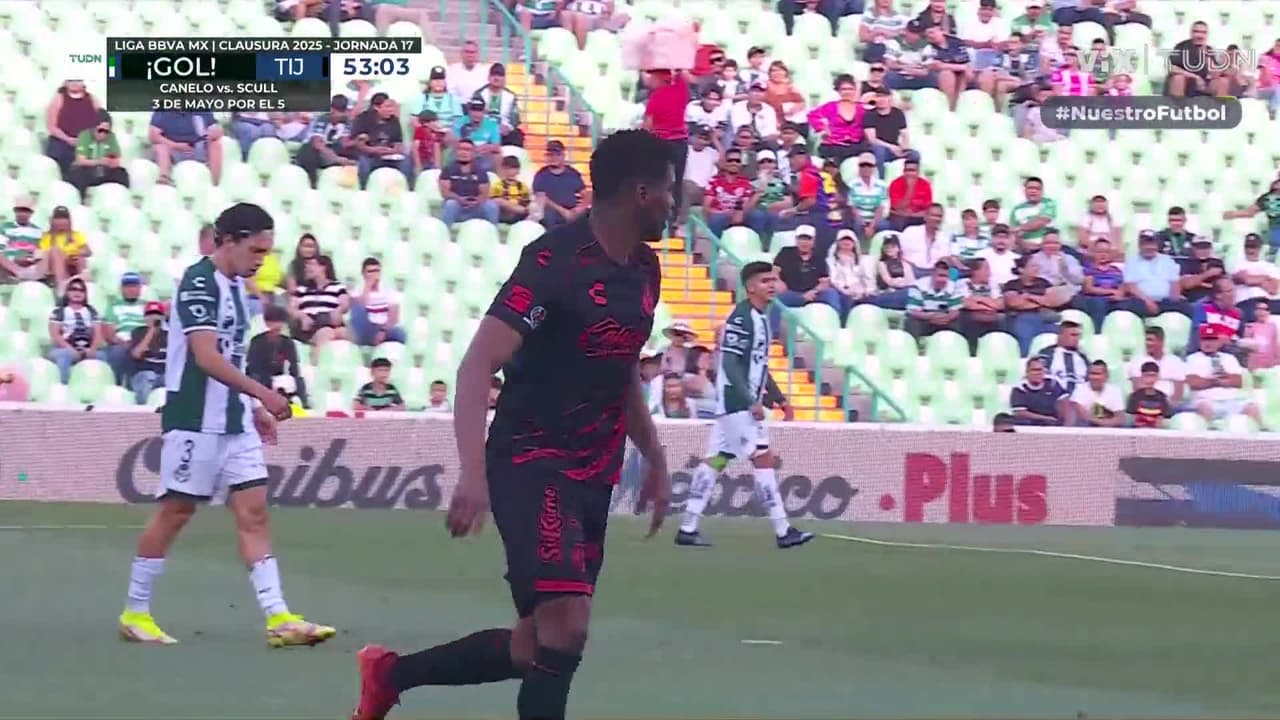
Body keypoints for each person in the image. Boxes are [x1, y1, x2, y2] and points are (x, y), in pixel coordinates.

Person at [350, 130, 674, 720]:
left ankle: (389, 675)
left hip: (594, 471)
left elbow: (622, 366)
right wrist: (472, 473)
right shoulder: (554, 262)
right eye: (669, 191)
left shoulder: (646, 270)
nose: (674, 204)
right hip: (532, 459)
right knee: (568, 626)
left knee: (537, 644)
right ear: (642, 192)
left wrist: (653, 455)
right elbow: (478, 365)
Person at [117, 203, 334, 647]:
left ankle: (279, 617)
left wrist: (250, 408)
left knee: (253, 512)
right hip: (194, 420)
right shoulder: (199, 282)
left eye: (267, 253)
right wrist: (264, 394)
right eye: (255, 250)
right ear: (229, 241)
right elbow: (206, 356)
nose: (261, 261)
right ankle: (135, 612)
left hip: (233, 420)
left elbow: (232, 356)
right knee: (176, 512)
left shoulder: (237, 287)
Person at [676, 261, 807, 548]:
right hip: (737, 404)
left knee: (716, 459)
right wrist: (750, 401)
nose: (771, 285)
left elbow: (758, 366)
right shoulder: (741, 318)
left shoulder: (760, 318)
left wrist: (780, 399)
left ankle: (687, 527)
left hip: (737, 405)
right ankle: (783, 530)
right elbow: (731, 364)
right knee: (762, 458)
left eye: (773, 280)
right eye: (764, 281)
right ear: (750, 287)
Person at [128, 301, 168, 405]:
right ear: (145, 317)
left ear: (162, 317)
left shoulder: (169, 335)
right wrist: (151, 331)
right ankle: (144, 410)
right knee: (148, 376)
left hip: (163, 374)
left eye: (157, 314)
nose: (153, 317)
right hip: (144, 373)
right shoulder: (138, 332)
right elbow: (136, 354)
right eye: (150, 314)